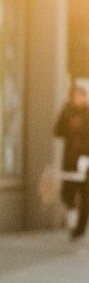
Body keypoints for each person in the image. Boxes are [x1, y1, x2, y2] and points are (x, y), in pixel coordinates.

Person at [53, 83, 89, 239]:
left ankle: (79, 229)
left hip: (87, 160)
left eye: (81, 95)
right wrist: (66, 119)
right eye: (75, 95)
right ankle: (72, 215)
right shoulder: (67, 112)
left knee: (86, 195)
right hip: (70, 160)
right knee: (66, 193)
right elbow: (57, 131)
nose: (78, 98)